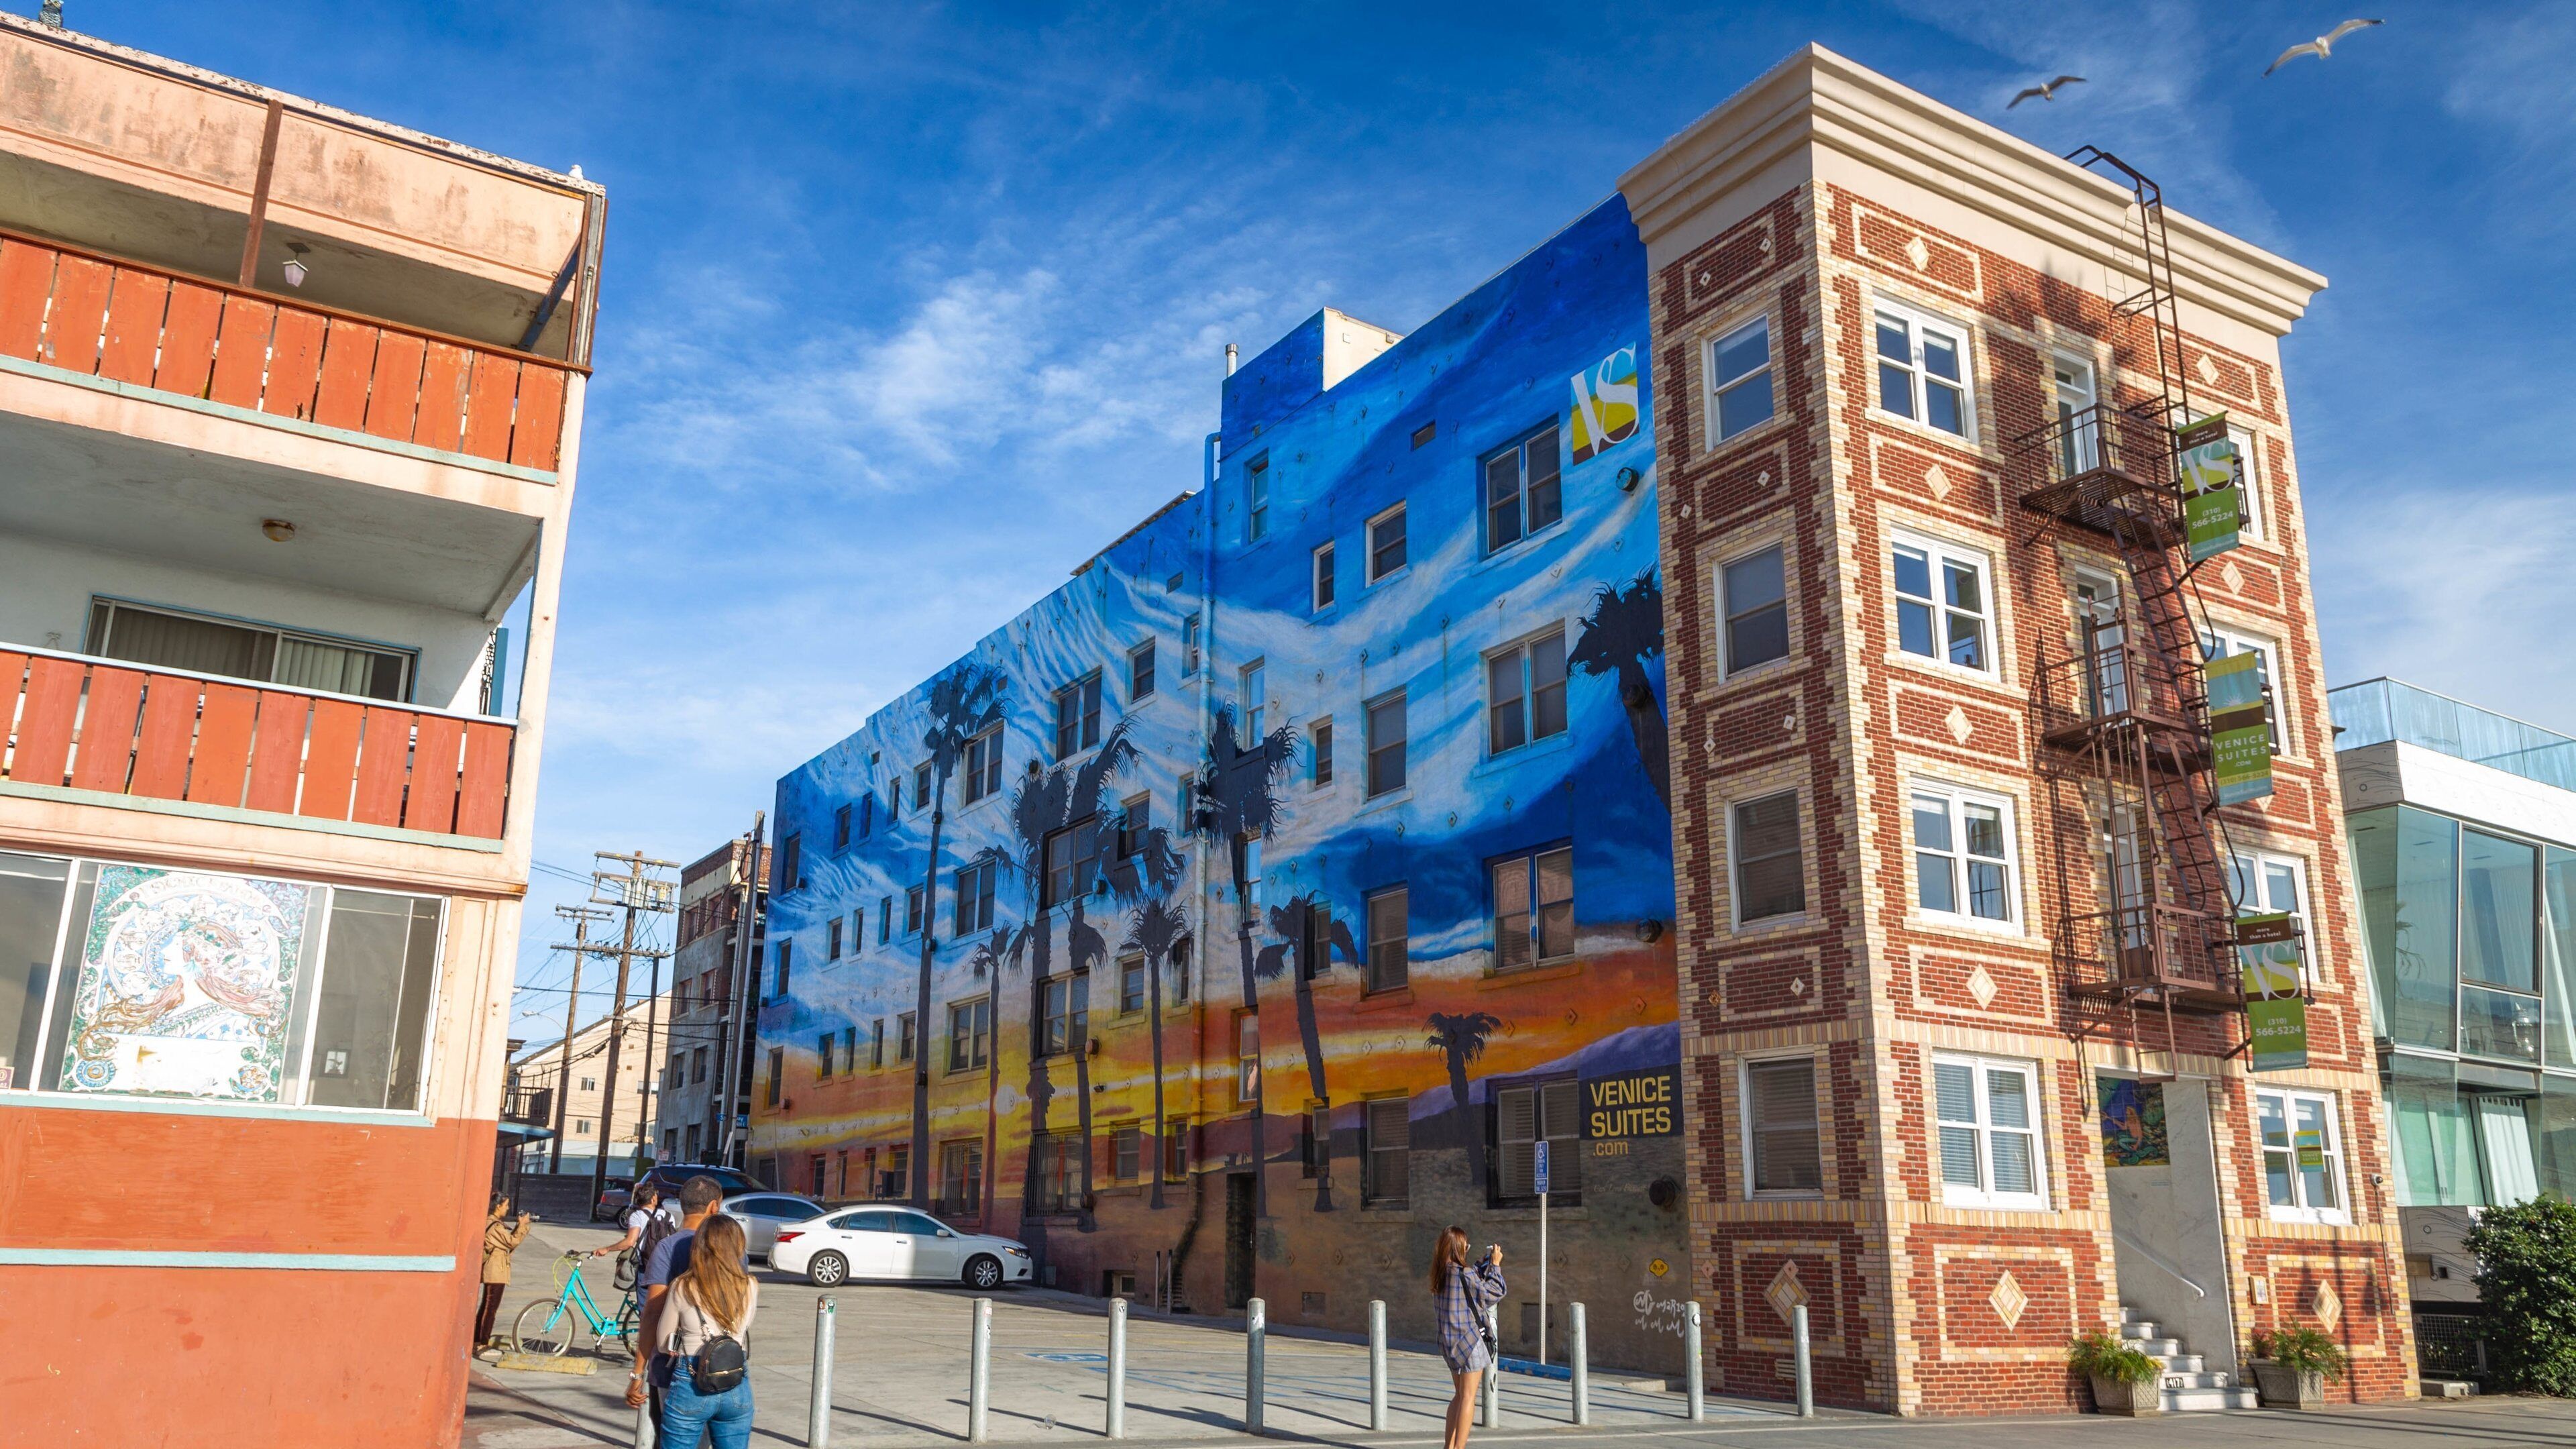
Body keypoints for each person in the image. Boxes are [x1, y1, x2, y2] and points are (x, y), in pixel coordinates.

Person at [627, 1175, 731, 1418]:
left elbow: (652, 1313)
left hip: (671, 1369)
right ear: (714, 1206)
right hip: (724, 1367)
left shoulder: (667, 1247)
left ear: (683, 1205)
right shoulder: (733, 1250)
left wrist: (638, 1373)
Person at [653, 1212, 759, 1449]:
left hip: (691, 1381)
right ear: (738, 1246)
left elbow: (663, 1343)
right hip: (736, 1381)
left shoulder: (683, 1286)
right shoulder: (750, 1285)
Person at [1431, 1227, 1505, 1449]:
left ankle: (1449, 1446)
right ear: (1459, 1248)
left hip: (1450, 1344)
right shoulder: (1466, 1274)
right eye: (1466, 1246)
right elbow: (1494, 1292)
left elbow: (1468, 1284)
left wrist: (1482, 1265)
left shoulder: (1440, 1273)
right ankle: (1459, 1447)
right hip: (1470, 1343)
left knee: (1459, 1396)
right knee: (1468, 1398)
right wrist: (1496, 1266)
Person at [476, 1193, 533, 1354]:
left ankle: (478, 1340)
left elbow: (508, 1242)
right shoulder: (494, 1226)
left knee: (488, 1306)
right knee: (490, 1307)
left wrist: (519, 1227)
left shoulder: (494, 1224)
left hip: (497, 1268)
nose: (508, 1208)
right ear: (498, 1206)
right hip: (495, 1269)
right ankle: (482, 1343)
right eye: (506, 1205)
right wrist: (522, 1226)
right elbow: (512, 1241)